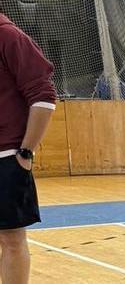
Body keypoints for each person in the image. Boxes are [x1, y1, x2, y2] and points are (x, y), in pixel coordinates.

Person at [0, 14, 55, 284]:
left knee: (11, 240)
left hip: (6, 157)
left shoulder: (9, 37)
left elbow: (44, 97)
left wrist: (26, 152)